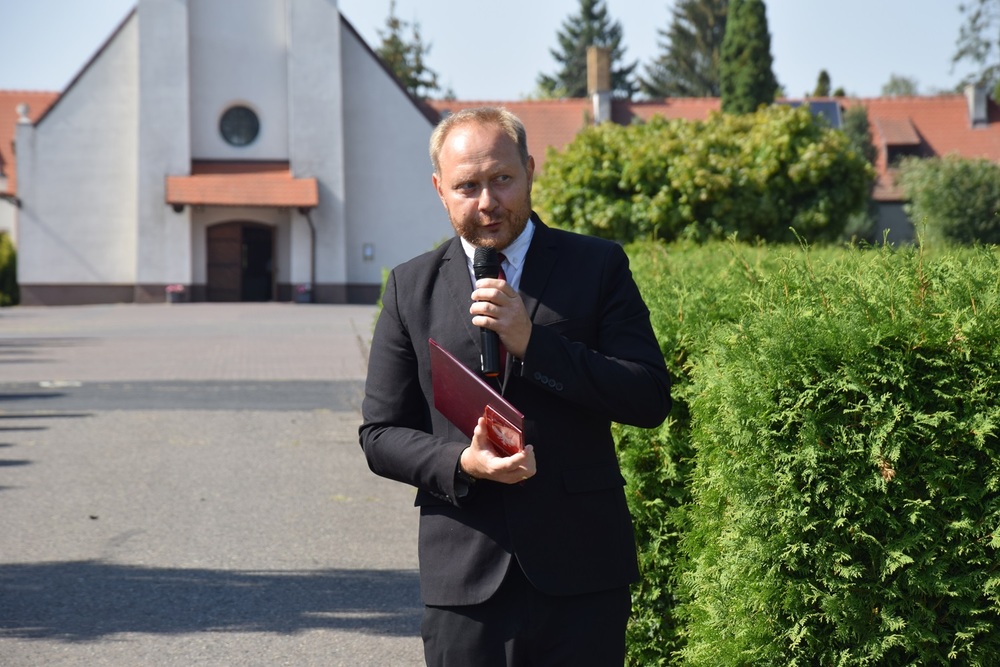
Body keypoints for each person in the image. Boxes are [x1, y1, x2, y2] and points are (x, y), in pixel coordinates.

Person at [359, 106, 671, 666]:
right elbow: (379, 434)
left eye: (502, 179)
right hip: (464, 577)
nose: (487, 201)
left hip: (582, 572)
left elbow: (647, 396)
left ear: (530, 169)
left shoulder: (597, 266)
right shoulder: (410, 288)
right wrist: (463, 463)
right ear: (440, 189)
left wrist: (536, 345)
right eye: (467, 185)